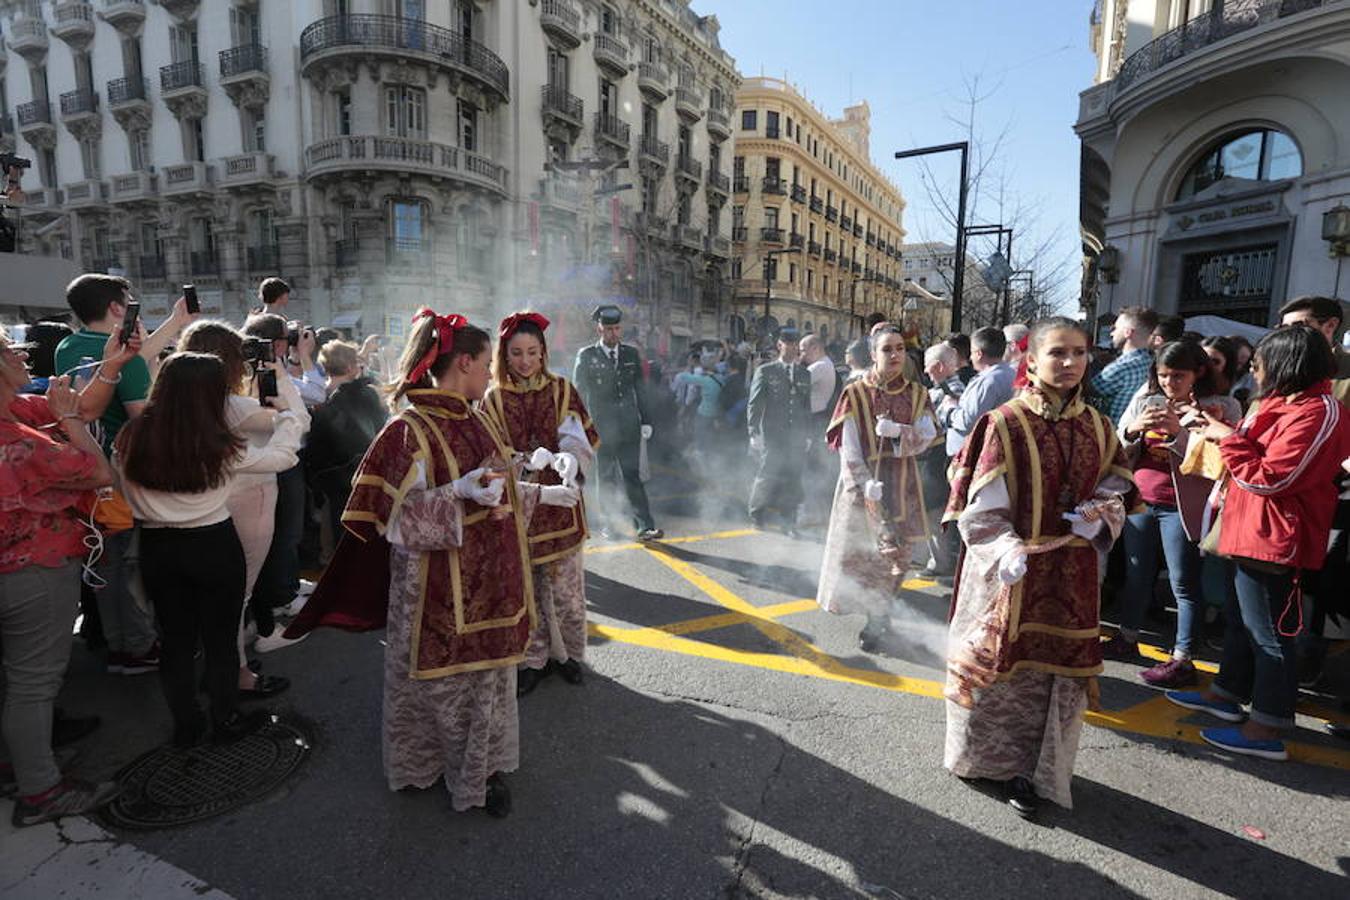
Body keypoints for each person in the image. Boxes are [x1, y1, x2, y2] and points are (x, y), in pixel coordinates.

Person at [290, 309, 580, 816]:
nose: (493, 372)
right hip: (435, 598)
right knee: (442, 692)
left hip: (493, 595)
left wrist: (539, 492)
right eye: (488, 362)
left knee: (487, 686)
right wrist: (455, 495)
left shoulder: (475, 417)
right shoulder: (407, 430)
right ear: (464, 362)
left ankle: (481, 773)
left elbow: (496, 493)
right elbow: (391, 521)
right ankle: (430, 769)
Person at [944, 316, 1137, 817]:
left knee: (1057, 675)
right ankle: (988, 761)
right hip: (1009, 570)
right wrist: (1006, 550)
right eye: (1057, 353)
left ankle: (1039, 773)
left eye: (1079, 352)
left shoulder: (1098, 424)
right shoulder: (1004, 422)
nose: (1070, 362)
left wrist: (1099, 514)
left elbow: (1117, 488)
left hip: (1073, 571)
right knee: (1004, 670)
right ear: (1031, 360)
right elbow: (981, 506)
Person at [1166, 324, 1350, 761]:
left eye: (1260, 364)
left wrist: (1226, 437)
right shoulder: (1280, 404)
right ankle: (1228, 695)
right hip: (1246, 526)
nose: (1255, 371)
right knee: (1240, 621)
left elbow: (1274, 478)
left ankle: (1267, 722)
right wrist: (1217, 430)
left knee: (1271, 634)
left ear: (1286, 364)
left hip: (1276, 536)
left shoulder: (1319, 411)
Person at [114, 352, 306, 747]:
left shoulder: (131, 436)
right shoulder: (219, 443)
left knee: (176, 641)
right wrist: (287, 415)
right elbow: (282, 457)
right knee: (220, 638)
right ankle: (225, 718)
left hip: (158, 546)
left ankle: (186, 725)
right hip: (212, 542)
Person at [2, 327, 124, 827]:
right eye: (9, 351)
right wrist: (72, 422)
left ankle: (18, 761)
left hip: (17, 569)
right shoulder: (19, 443)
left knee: (13, 679)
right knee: (33, 683)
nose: (21, 353)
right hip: (33, 569)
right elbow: (99, 472)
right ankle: (41, 790)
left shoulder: (14, 411)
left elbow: (78, 406)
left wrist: (112, 365)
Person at [55, 275, 194, 677]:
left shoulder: (69, 346)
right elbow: (142, 417)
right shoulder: (125, 359)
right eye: (128, 301)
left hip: (83, 462)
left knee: (105, 560)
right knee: (128, 564)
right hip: (121, 470)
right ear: (118, 309)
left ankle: (117, 644)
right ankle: (137, 646)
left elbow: (122, 357)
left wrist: (173, 324)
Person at [1105, 342, 1240, 686]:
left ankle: (1183, 657)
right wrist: (1134, 429)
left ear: (1199, 373)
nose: (1169, 383)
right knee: (1137, 575)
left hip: (1183, 506)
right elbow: (1118, 449)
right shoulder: (1146, 400)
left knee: (1183, 582)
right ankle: (1127, 637)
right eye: (1163, 375)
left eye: (1177, 376)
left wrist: (1180, 433)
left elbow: (1219, 463)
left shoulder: (1222, 407)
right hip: (1140, 499)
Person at [179, 320, 300, 699]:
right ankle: (237, 674)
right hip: (250, 500)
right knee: (236, 595)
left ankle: (223, 665)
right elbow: (297, 422)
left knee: (215, 598)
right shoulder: (236, 407)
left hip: (202, 511)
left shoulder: (179, 405)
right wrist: (278, 373)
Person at [483, 311, 599, 697]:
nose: (525, 361)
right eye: (516, 353)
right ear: (504, 354)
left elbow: (577, 435)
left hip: (562, 505)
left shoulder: (563, 388)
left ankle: (567, 657)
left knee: (567, 590)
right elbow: (488, 455)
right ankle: (532, 660)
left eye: (533, 352)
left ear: (544, 352)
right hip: (520, 505)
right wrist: (522, 462)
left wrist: (569, 456)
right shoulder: (493, 397)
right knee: (527, 591)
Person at [817, 326, 936, 650]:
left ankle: (879, 618)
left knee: (900, 556)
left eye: (899, 348)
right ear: (873, 354)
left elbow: (926, 438)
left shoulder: (917, 393)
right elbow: (849, 446)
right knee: (864, 556)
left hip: (902, 483)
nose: (895, 355)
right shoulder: (855, 393)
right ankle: (873, 613)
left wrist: (899, 432)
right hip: (864, 487)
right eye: (887, 349)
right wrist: (863, 482)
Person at [1275, 296, 1350, 690]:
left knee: (1329, 587)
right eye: (1285, 327)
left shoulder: (1345, 375)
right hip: (1291, 499)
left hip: (1339, 502)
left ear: (1329, 326)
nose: (1290, 336)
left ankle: (1311, 662)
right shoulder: (1288, 369)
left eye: (1299, 326)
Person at [241, 314, 317, 645]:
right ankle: (276, 604)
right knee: (280, 534)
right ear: (278, 344)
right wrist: (281, 370)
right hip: (271, 465)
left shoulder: (239, 374)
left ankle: (275, 596)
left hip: (252, 467)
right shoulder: (269, 372)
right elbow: (299, 417)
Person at [572, 305, 661, 541]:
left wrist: (647, 419)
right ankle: (610, 524)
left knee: (633, 475)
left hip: (629, 426)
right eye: (608, 329)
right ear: (599, 328)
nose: (613, 333)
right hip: (601, 428)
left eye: (617, 328)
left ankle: (645, 525)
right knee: (607, 477)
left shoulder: (631, 354)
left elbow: (640, 390)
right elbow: (578, 395)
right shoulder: (587, 355)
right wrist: (580, 426)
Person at [306, 339, 387, 536]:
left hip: (331, 479)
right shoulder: (367, 394)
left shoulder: (315, 395)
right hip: (363, 474)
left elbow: (315, 447)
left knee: (336, 530)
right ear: (351, 367)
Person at [746, 327, 813, 532]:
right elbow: (754, 403)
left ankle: (788, 521)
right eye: (787, 343)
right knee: (768, 474)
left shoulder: (804, 373)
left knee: (793, 477)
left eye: (795, 344)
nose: (792, 348)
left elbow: (805, 405)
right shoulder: (766, 371)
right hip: (773, 434)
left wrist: (808, 433)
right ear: (779, 345)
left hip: (796, 436)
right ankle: (756, 514)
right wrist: (753, 431)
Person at [1088, 306, 1159, 425]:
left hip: (1113, 433)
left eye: (1115, 328)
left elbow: (1086, 389)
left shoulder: (1123, 366)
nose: (1112, 333)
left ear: (1128, 332)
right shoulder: (1152, 362)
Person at [800, 334, 840, 527]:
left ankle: (813, 513)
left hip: (814, 422)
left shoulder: (820, 366)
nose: (802, 355)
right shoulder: (824, 364)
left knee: (811, 471)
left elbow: (795, 382)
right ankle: (815, 512)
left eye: (803, 350)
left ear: (815, 348)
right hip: (815, 420)